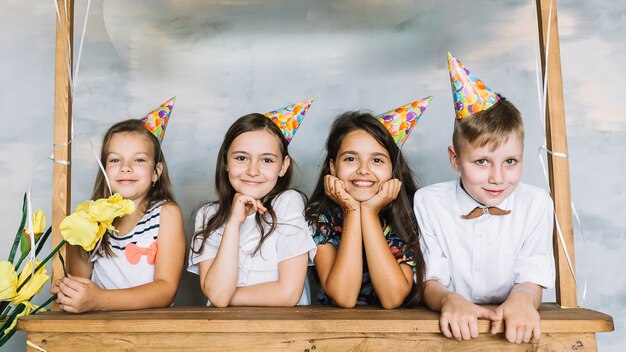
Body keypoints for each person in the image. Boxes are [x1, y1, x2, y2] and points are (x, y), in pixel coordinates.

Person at [414, 53, 555, 344]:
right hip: (449, 334)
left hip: (506, 329)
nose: (498, 177)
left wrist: (523, 300)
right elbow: (431, 280)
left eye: (511, 161)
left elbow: (532, 273)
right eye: (481, 162)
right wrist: (448, 300)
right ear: (455, 159)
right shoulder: (429, 202)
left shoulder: (536, 203)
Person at [53, 97, 186, 313]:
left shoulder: (166, 213)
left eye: (139, 160)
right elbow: (80, 282)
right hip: (100, 328)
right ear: (104, 169)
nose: (125, 167)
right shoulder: (90, 218)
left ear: (156, 172)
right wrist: (69, 290)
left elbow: (166, 289)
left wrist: (99, 299)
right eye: (115, 160)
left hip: (153, 330)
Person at [306, 97, 431, 309]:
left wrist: (370, 213)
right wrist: (353, 211)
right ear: (333, 167)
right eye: (350, 159)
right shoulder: (320, 215)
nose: (363, 169)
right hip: (332, 327)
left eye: (377, 160)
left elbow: (392, 298)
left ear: (393, 169)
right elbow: (344, 297)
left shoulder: (411, 211)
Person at [189, 99, 316, 307]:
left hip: (283, 335)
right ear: (225, 163)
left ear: (283, 166)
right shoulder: (208, 215)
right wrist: (233, 223)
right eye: (241, 158)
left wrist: (225, 296)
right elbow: (217, 296)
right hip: (225, 334)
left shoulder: (288, 202)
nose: (253, 170)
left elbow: (288, 294)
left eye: (267, 160)